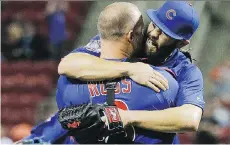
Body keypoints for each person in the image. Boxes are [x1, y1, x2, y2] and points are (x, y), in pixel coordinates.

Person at [18, 1, 204, 144]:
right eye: (155, 24)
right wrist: (130, 68)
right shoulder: (129, 40)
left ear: (181, 43)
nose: (154, 34)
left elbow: (190, 119)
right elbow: (68, 64)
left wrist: (125, 117)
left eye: (164, 33)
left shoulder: (186, 71)